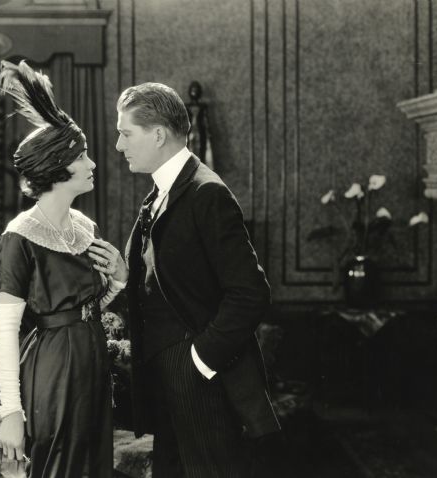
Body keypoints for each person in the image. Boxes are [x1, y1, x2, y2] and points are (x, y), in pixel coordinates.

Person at [116, 82, 280, 478]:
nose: (120, 146)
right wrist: (127, 275)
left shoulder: (207, 193)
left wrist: (199, 361)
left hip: (199, 376)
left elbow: (250, 293)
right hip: (166, 374)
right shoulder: (161, 191)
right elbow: (172, 279)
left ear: (157, 135)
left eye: (125, 133)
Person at [0, 60, 127, 478]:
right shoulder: (20, 236)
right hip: (52, 367)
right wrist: (11, 411)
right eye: (81, 156)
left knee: (93, 464)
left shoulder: (86, 227)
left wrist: (118, 281)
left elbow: (89, 303)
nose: (91, 164)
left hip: (92, 358)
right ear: (57, 167)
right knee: (56, 465)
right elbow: (5, 328)